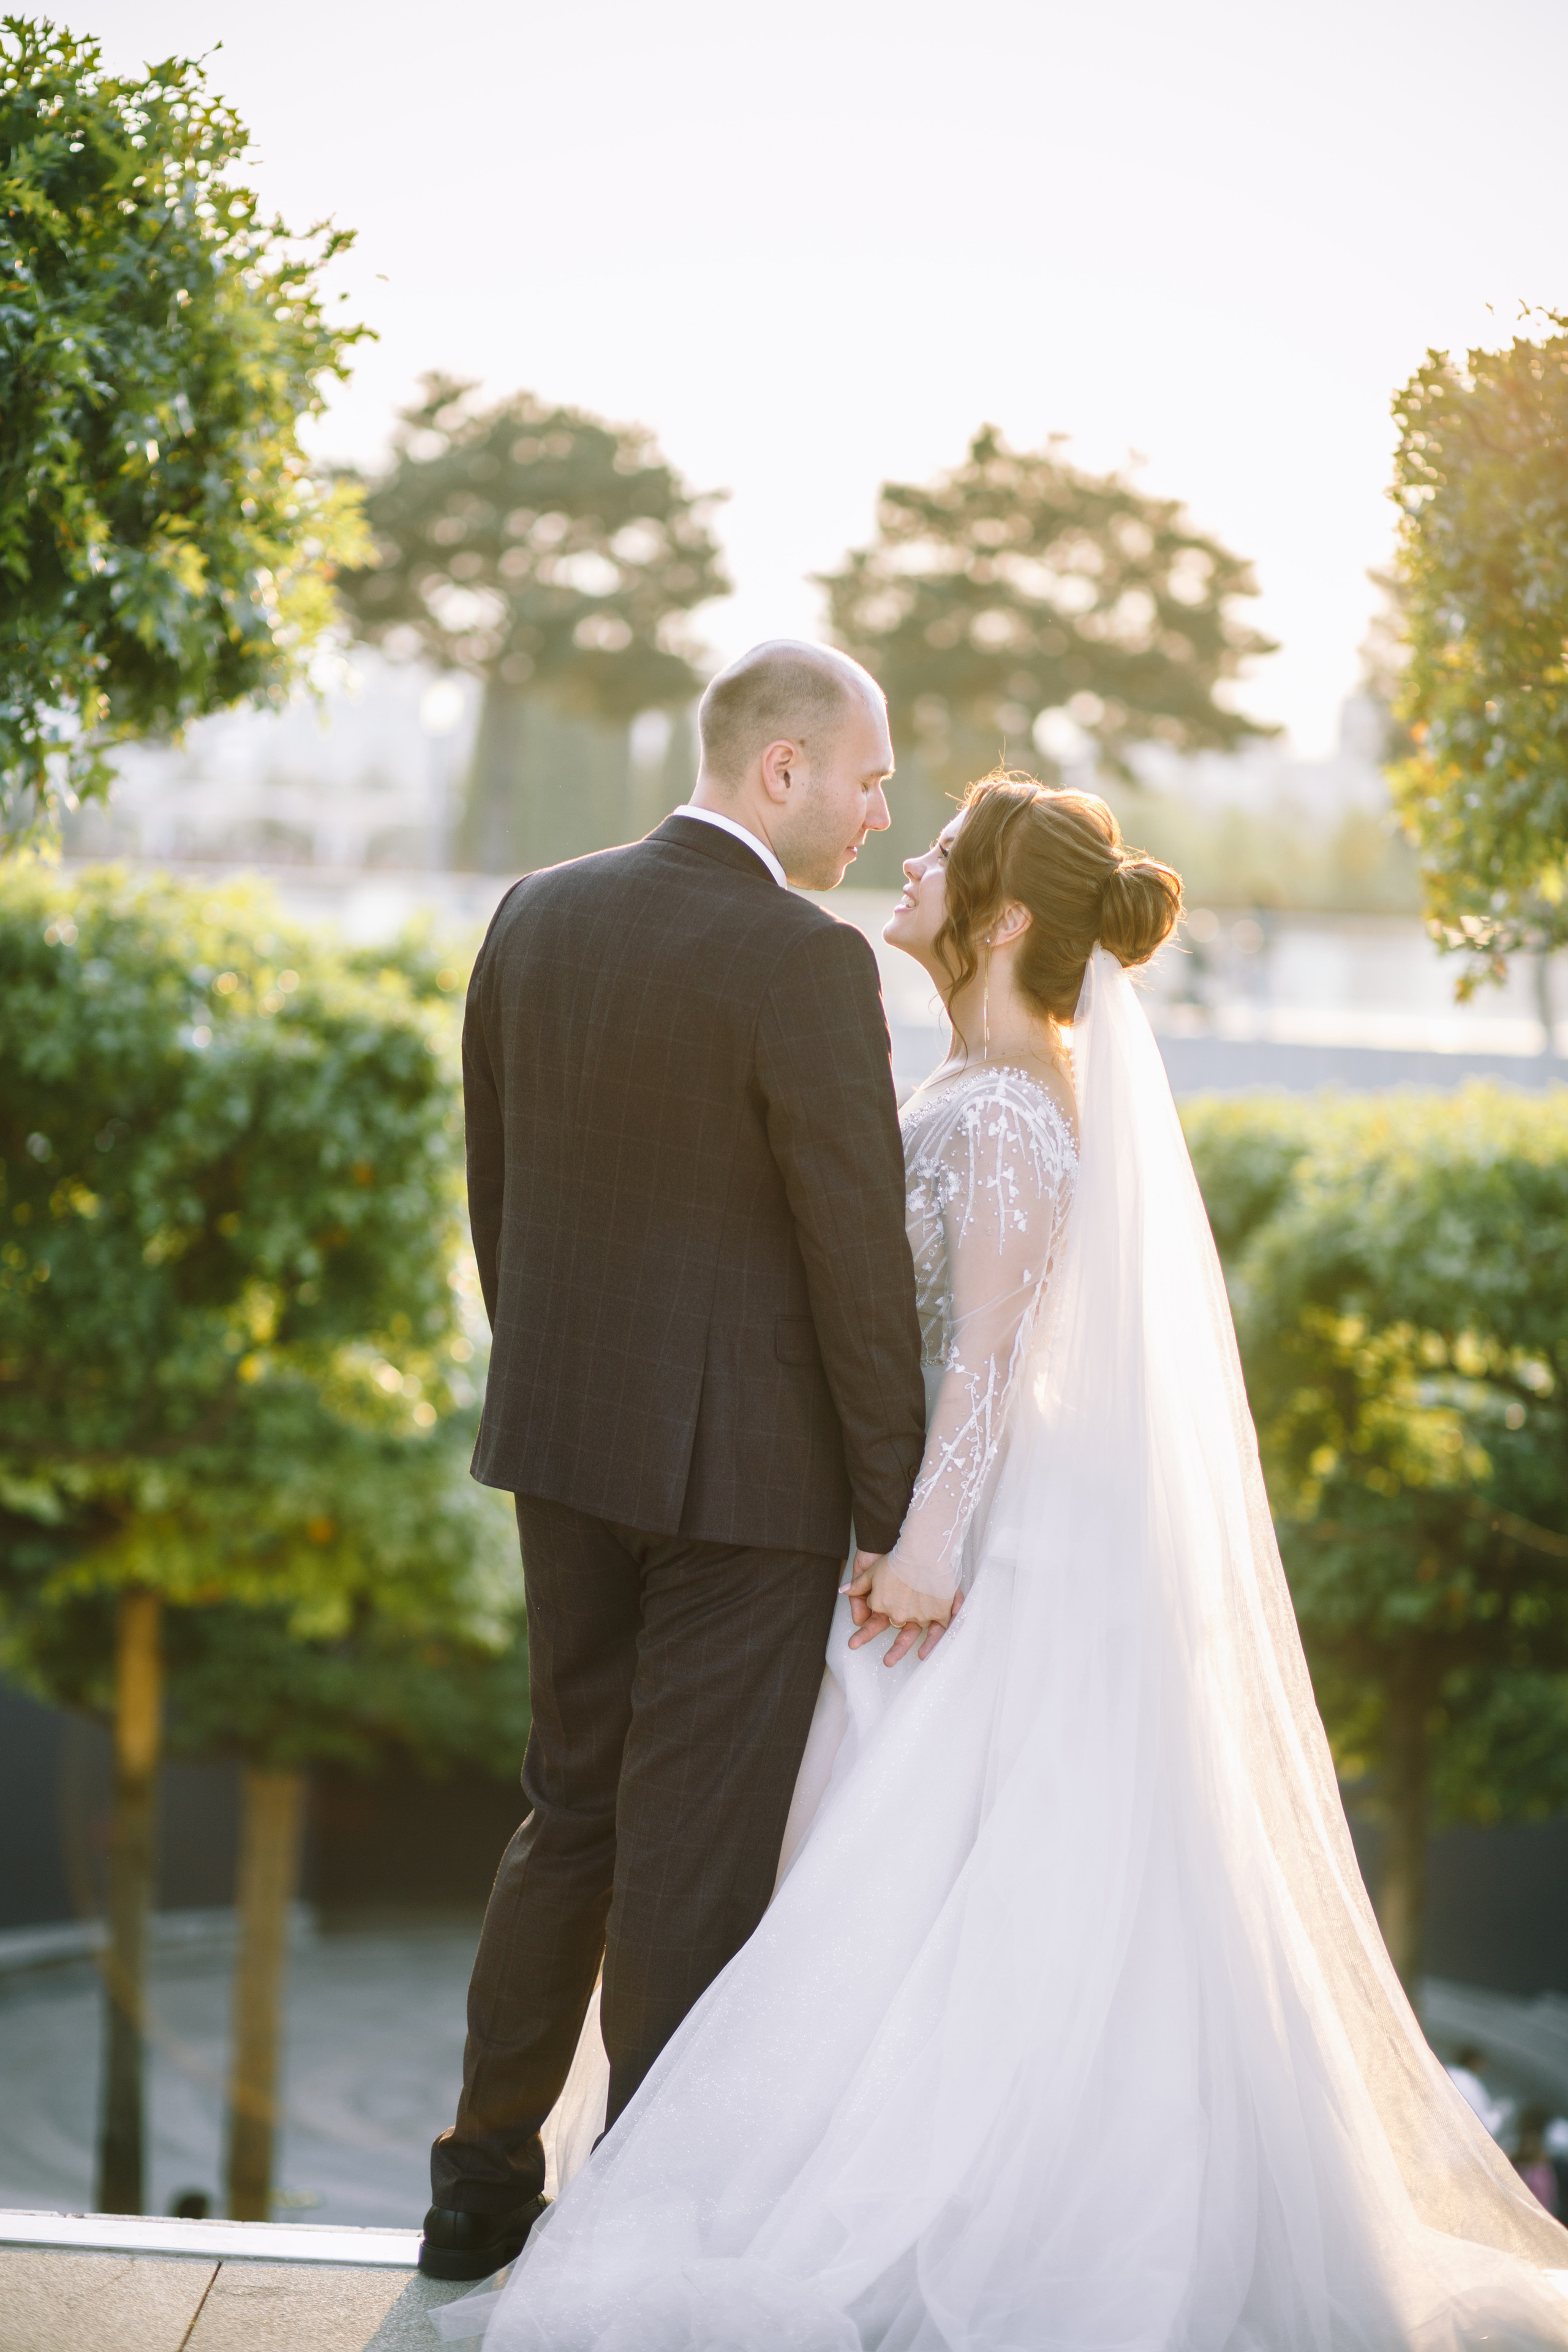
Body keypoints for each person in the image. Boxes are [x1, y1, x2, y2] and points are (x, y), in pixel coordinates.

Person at [438, 771, 1568, 2348]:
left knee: (905, 1877)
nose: (910, 860)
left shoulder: (1007, 1111)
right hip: (919, 1539)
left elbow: (980, 1364)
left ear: (1005, 915)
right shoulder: (972, 1083)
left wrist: (922, 1551)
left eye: (944, 852)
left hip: (955, 1560)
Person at [417, 642, 928, 2283]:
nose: (877, 812)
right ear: (780, 771)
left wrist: (559, 1387)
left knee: (568, 1809)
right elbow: (855, 1263)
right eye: (865, 778)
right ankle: (642, 2232)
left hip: (562, 1451)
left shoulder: (533, 913)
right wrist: (902, 1511)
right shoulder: (801, 962)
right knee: (693, 1857)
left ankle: (480, 2188)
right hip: (748, 1492)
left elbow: (497, 1194)